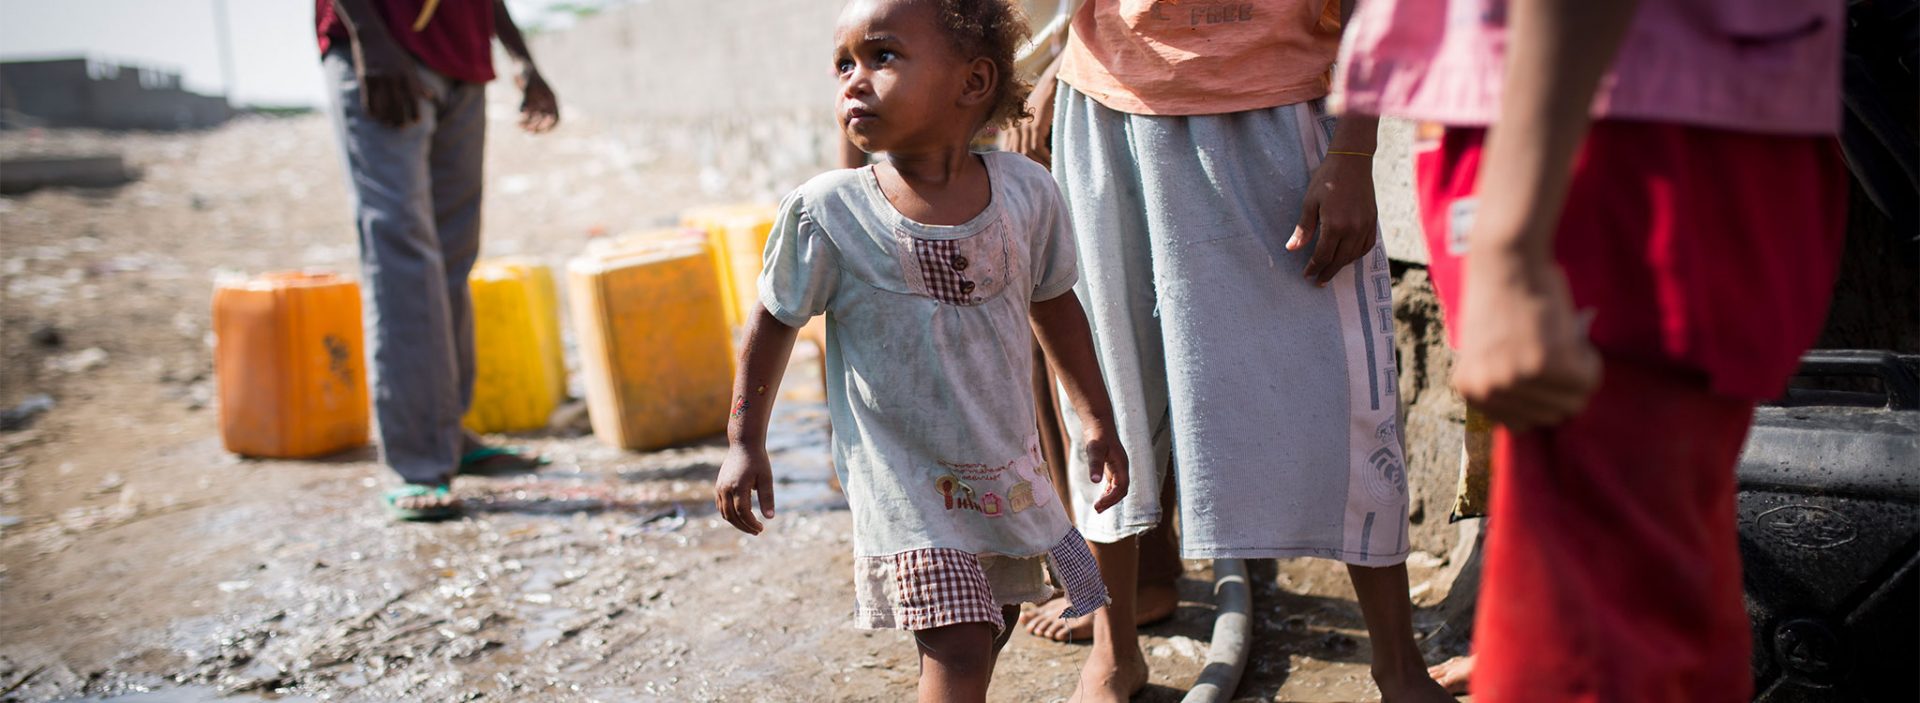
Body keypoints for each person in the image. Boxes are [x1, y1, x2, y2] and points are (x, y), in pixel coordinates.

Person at [1336, 0, 1848, 700]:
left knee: (1592, 615)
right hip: (1647, 119)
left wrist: (1513, 243)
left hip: (1606, 138)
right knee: (1652, 588)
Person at [712, 1, 1127, 700]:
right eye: (843, 63)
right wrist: (743, 441)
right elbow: (773, 321)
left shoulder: (1027, 193)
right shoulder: (829, 213)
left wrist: (1096, 417)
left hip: (1000, 465)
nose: (853, 79)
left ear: (972, 82)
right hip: (906, 482)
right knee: (960, 644)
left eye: (883, 57)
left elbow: (1055, 305)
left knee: (991, 620)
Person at [1041, 1, 1453, 700]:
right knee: (1106, 388)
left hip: (1279, 107)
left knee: (1342, 394)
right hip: (1104, 102)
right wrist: (1049, 63)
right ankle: (1114, 654)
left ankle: (1397, 661)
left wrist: (1354, 150)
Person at [316, 0, 559, 521]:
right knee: (403, 257)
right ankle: (417, 463)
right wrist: (371, 40)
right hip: (384, 50)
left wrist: (520, 55)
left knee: (452, 256)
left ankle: (449, 432)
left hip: (463, 59)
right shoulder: (375, 44)